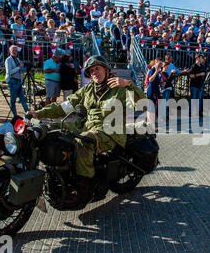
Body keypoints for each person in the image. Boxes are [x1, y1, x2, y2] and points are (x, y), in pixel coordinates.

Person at [27, 55, 145, 208]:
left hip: (111, 131)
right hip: (88, 126)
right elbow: (65, 106)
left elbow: (142, 103)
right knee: (50, 130)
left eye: (97, 68)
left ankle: (83, 191)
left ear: (106, 70)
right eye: (91, 70)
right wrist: (39, 113)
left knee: (83, 141)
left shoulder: (120, 88)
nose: (94, 72)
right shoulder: (88, 89)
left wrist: (128, 84)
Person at [5, 45, 29, 117]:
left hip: (18, 81)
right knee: (13, 100)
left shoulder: (17, 59)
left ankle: (28, 113)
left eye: (16, 50)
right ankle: (15, 115)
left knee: (23, 99)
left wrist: (25, 69)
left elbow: (20, 70)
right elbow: (9, 72)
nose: (15, 52)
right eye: (13, 51)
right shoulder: (8, 60)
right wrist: (19, 67)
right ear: (10, 52)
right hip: (13, 81)